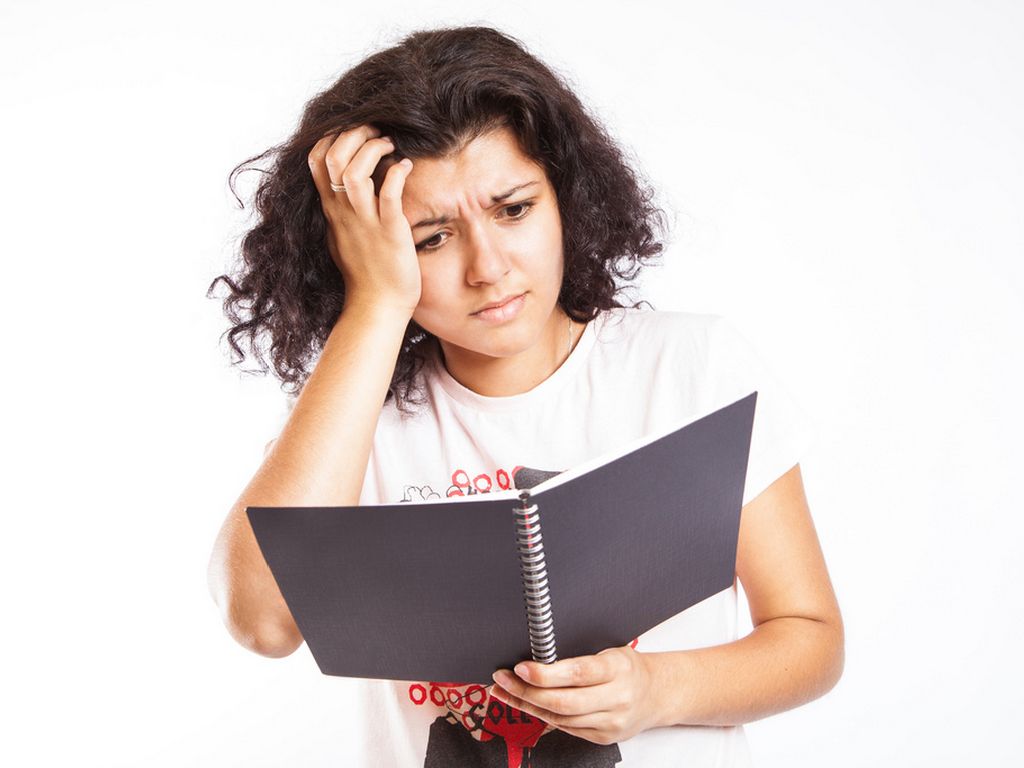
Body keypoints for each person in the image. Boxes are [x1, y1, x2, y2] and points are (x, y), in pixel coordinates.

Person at [206, 24, 844, 767]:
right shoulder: (355, 422)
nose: (488, 267)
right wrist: (375, 304)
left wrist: (657, 690)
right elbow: (262, 622)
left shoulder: (691, 368)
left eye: (513, 209)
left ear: (565, 195)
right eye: (431, 238)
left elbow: (810, 636)